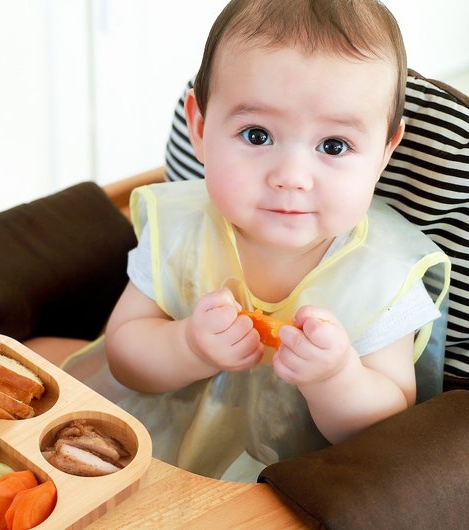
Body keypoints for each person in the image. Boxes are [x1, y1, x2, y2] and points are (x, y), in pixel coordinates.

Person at [101, 0, 450, 481]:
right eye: (257, 135)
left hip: (295, 481)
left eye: (333, 146)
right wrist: (187, 346)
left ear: (384, 152)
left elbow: (387, 425)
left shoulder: (383, 276)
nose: (291, 177)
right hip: (161, 448)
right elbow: (122, 354)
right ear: (200, 129)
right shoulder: (179, 230)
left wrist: (336, 379)